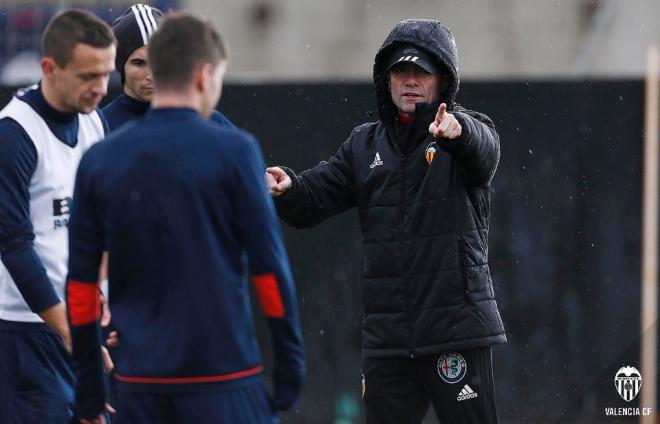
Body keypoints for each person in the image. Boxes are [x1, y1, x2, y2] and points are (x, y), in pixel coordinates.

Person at [66, 12, 304, 424]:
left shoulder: (99, 157)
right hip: (224, 375)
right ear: (204, 73)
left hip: (139, 378)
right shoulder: (234, 150)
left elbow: (81, 285)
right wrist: (288, 374)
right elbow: (270, 273)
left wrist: (89, 388)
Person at [266, 19, 505, 424]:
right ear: (386, 79)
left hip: (455, 334)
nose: (409, 81)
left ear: (443, 81)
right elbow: (312, 200)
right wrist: (287, 188)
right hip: (389, 341)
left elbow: (485, 151)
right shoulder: (364, 144)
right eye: (400, 71)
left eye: (421, 72)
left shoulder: (464, 132)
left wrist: (458, 130)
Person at [0, 9, 116, 423]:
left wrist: (101, 294)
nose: (100, 88)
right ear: (49, 68)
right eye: (87, 76)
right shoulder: (14, 135)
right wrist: (71, 331)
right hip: (26, 330)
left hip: (78, 324)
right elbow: (14, 246)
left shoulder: (93, 123)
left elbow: (102, 224)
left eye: (106, 74)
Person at [102, 3, 236, 131]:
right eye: (139, 63)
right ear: (121, 66)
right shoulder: (99, 125)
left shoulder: (214, 123)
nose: (151, 75)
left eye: (158, 61)